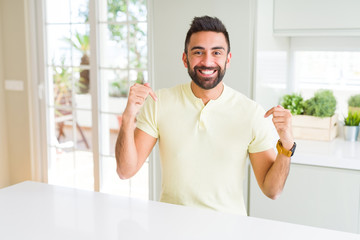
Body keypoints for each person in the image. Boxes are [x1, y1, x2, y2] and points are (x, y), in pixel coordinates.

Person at [115, 16, 295, 216]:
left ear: (228, 59)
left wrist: (286, 145)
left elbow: (272, 191)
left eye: (216, 52)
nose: (207, 61)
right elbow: (125, 171)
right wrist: (129, 115)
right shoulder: (159, 103)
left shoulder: (251, 113)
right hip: (171, 226)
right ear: (185, 59)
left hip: (229, 230)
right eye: (198, 52)